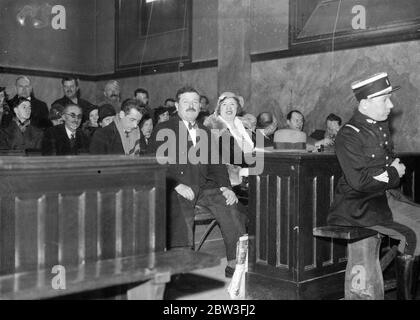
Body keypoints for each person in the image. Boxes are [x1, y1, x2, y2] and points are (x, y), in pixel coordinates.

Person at [327, 72, 420, 300]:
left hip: (384, 197)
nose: (390, 105)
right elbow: (359, 182)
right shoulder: (349, 135)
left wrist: (391, 173)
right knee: (415, 235)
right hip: (360, 205)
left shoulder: (379, 126)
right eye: (384, 100)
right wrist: (393, 172)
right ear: (365, 103)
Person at [147, 86, 247, 278]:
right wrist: (176, 184)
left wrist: (226, 187)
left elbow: (216, 165)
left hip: (205, 186)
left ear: (200, 107)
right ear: (177, 106)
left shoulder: (205, 131)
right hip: (177, 185)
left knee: (231, 206)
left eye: (195, 102)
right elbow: (155, 162)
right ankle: (182, 268)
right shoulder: (163, 129)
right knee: (180, 212)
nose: (191, 106)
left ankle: (236, 265)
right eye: (186, 102)